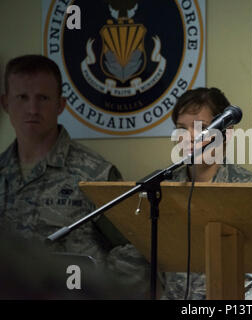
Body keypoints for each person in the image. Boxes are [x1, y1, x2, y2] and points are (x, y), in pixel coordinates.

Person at [0, 54, 145, 297]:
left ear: (60, 105)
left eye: (43, 98)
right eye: (22, 97)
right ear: (5, 104)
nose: (32, 109)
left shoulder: (94, 173)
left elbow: (136, 249)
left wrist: (100, 292)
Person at [160, 87, 252, 299]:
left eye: (200, 127)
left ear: (226, 133)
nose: (189, 137)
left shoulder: (249, 189)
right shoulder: (164, 188)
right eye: (181, 128)